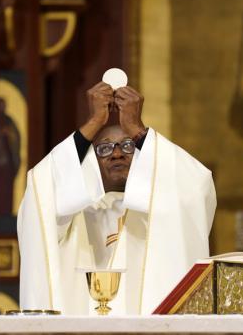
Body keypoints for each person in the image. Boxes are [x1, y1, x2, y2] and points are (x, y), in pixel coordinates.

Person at [18, 82, 217, 315]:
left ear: (144, 155)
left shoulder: (163, 204)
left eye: (128, 145)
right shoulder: (73, 209)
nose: (117, 153)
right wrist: (94, 122)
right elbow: (40, 194)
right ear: (92, 163)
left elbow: (196, 185)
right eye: (104, 148)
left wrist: (137, 128)